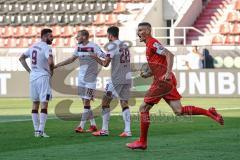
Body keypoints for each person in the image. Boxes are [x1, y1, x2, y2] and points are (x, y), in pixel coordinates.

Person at [126, 22, 224, 150]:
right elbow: (159, 64)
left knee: (144, 108)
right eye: (137, 30)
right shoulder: (149, 45)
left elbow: (169, 54)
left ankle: (142, 142)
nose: (138, 33)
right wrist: (148, 74)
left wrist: (166, 73)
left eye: (140, 30)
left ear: (148, 31)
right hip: (166, 80)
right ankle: (208, 112)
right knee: (179, 111)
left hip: (162, 81)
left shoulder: (152, 43)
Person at [54, 30, 105, 133]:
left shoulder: (93, 46)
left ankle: (80, 126)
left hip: (90, 79)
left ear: (85, 37)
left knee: (86, 102)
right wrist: (57, 65)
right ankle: (93, 125)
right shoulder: (78, 47)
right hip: (81, 79)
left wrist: (102, 57)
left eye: (78, 36)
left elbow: (105, 56)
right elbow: (71, 59)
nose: (77, 38)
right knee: (85, 102)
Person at [90, 26, 132, 137]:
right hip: (127, 77)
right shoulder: (124, 45)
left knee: (105, 102)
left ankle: (104, 130)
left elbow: (105, 64)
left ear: (110, 35)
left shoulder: (112, 45)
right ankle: (127, 131)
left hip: (117, 78)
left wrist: (95, 57)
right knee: (124, 102)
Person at [19, 29, 54, 137]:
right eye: (50, 36)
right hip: (43, 77)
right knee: (44, 103)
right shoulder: (46, 47)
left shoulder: (33, 46)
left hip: (33, 77)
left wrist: (30, 71)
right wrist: (51, 71)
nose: (52, 38)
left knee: (35, 103)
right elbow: (51, 62)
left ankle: (36, 131)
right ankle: (41, 130)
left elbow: (21, 58)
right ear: (44, 37)